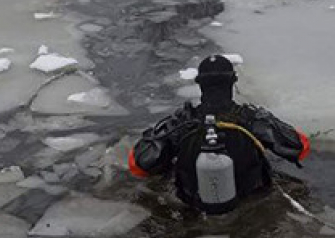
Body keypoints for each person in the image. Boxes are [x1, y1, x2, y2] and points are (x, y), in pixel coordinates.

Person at [128, 55, 310, 214]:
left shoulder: (182, 122)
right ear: (233, 81)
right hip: (249, 201)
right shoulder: (250, 118)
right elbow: (300, 148)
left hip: (192, 204)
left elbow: (138, 166)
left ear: (200, 84)